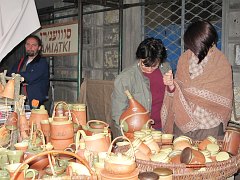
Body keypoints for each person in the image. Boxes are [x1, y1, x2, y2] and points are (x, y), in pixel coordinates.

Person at [162, 20, 233, 140]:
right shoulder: (184, 59)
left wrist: (185, 89)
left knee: (209, 157)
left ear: (206, 42)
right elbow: (177, 91)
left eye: (193, 45)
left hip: (209, 126)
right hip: (182, 123)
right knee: (180, 157)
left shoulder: (221, 62)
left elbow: (223, 98)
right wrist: (171, 85)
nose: (191, 49)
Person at [112, 37, 171, 136]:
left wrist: (171, 85)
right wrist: (134, 133)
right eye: (145, 65)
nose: (149, 69)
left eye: (154, 65)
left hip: (165, 127)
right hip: (139, 132)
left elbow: (172, 97)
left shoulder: (165, 68)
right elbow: (118, 114)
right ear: (139, 58)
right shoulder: (125, 78)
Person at [9, 35, 49, 109]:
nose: (30, 47)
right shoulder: (20, 61)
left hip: (34, 102)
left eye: (34, 45)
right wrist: (19, 77)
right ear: (25, 46)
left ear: (39, 48)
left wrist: (18, 76)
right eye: (28, 44)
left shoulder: (42, 63)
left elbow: (30, 77)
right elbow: (10, 75)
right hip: (18, 101)